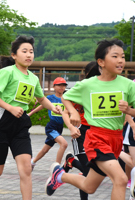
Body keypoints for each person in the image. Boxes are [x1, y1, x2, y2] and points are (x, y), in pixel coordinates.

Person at [0, 35, 62, 200]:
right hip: (3, 121)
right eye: (24, 51)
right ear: (14, 55)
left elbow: (41, 98)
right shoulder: (7, 72)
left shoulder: (33, 78)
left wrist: (53, 107)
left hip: (21, 124)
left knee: (26, 169)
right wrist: (10, 107)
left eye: (31, 52)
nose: (29, 55)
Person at [45, 38, 135, 200]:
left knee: (89, 186)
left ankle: (60, 175)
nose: (121, 60)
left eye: (122, 56)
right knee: (121, 179)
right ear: (101, 61)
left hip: (116, 140)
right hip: (97, 139)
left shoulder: (128, 85)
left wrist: (129, 110)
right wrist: (72, 112)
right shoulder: (88, 85)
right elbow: (66, 97)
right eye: (115, 56)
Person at [61, 61, 101, 200]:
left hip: (98, 134)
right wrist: (71, 127)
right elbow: (65, 112)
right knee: (87, 172)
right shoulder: (81, 89)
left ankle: (71, 161)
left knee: (100, 170)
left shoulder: (105, 89)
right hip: (81, 132)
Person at [28, 77, 68, 167]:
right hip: (51, 127)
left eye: (64, 85)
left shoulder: (67, 99)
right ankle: (57, 168)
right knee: (64, 144)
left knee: (45, 150)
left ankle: (32, 162)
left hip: (60, 127)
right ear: (54, 87)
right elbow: (42, 105)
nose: (61, 87)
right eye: (59, 85)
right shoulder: (50, 98)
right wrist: (30, 113)